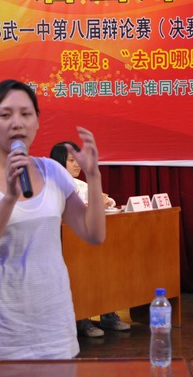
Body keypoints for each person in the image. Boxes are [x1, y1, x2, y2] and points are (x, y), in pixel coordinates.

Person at [0, 79, 106, 360]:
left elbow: (94, 234)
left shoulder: (53, 171)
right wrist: (9, 198)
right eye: (5, 114)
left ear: (37, 121)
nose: (17, 123)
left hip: (54, 329)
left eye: (25, 114)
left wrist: (94, 176)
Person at [50, 141, 129, 338]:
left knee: (105, 263)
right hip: (62, 245)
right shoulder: (50, 186)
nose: (77, 164)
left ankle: (107, 313)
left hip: (86, 240)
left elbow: (105, 200)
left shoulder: (81, 184)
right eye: (72, 160)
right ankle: (81, 319)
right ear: (59, 162)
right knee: (80, 270)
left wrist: (105, 201)